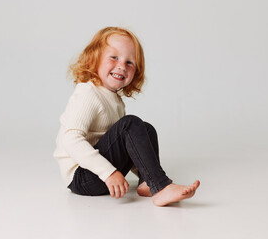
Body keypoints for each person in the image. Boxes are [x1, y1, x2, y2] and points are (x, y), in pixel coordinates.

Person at [53, 27, 200, 206]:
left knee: (145, 129)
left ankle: (148, 180)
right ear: (94, 58)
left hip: (98, 170)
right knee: (130, 124)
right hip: (81, 176)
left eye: (130, 62)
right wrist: (108, 172)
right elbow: (71, 140)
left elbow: (124, 145)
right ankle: (160, 187)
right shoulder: (88, 92)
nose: (122, 65)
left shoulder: (115, 100)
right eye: (113, 57)